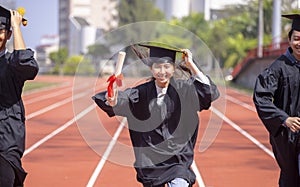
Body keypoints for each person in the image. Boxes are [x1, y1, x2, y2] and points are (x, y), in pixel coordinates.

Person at [93, 43, 219, 187]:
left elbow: (207, 92)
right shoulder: (141, 93)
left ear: (173, 68)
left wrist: (191, 64)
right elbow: (122, 100)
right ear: (151, 69)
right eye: (157, 67)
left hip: (177, 158)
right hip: (151, 161)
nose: (162, 71)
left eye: (167, 66)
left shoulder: (184, 91)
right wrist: (113, 100)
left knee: (179, 183)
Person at [253, 14, 300, 187]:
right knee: (290, 179)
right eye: (296, 38)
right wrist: (284, 119)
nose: (299, 43)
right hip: (287, 136)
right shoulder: (277, 68)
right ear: (289, 40)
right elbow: (261, 98)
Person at [0, 6, 39, 187]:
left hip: (6, 135)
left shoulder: (11, 63)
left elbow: (27, 65)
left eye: (0, 31)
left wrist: (16, 27)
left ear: (8, 35)